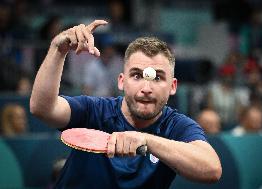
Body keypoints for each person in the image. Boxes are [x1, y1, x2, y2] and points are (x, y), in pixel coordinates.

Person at [30, 20, 222, 189]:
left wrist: (146, 140)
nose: (146, 88)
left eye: (158, 78)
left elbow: (212, 169)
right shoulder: (94, 110)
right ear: (122, 81)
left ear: (173, 86)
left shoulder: (176, 126)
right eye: (137, 75)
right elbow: (42, 108)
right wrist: (57, 49)